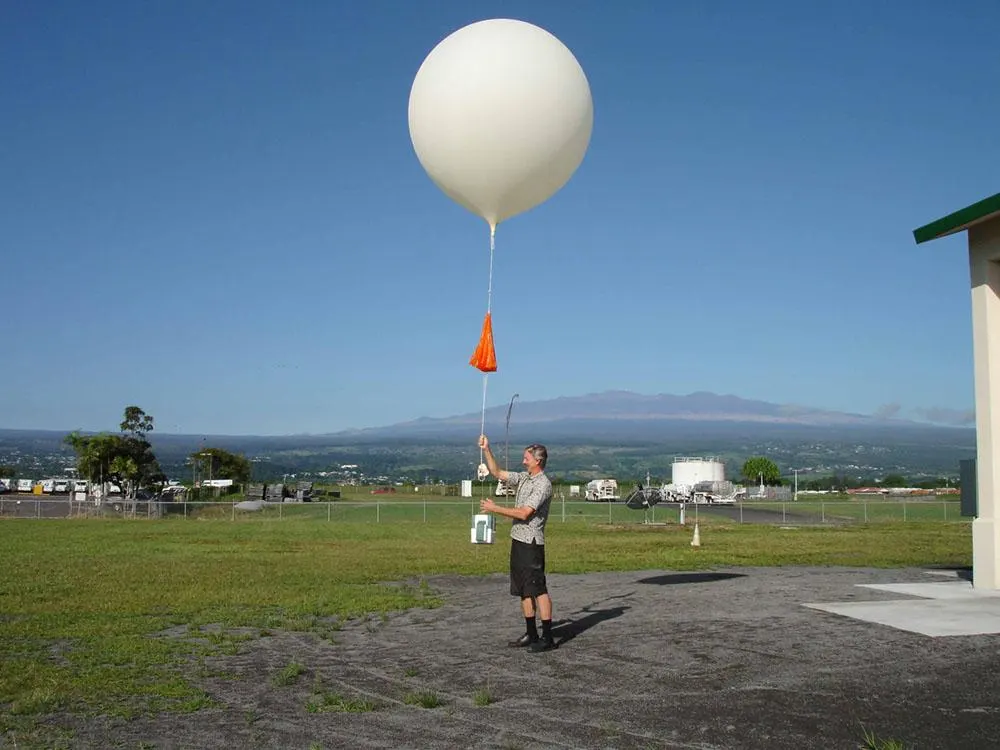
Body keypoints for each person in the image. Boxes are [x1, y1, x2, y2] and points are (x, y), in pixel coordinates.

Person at [478, 434, 556, 652]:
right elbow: (497, 473)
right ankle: (531, 634)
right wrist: (487, 449)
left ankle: (547, 637)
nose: (523, 461)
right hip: (518, 540)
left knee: (538, 589)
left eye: (526, 458)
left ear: (537, 460)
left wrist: (495, 509)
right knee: (522, 589)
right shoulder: (524, 478)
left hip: (531, 543)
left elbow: (524, 513)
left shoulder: (543, 485)